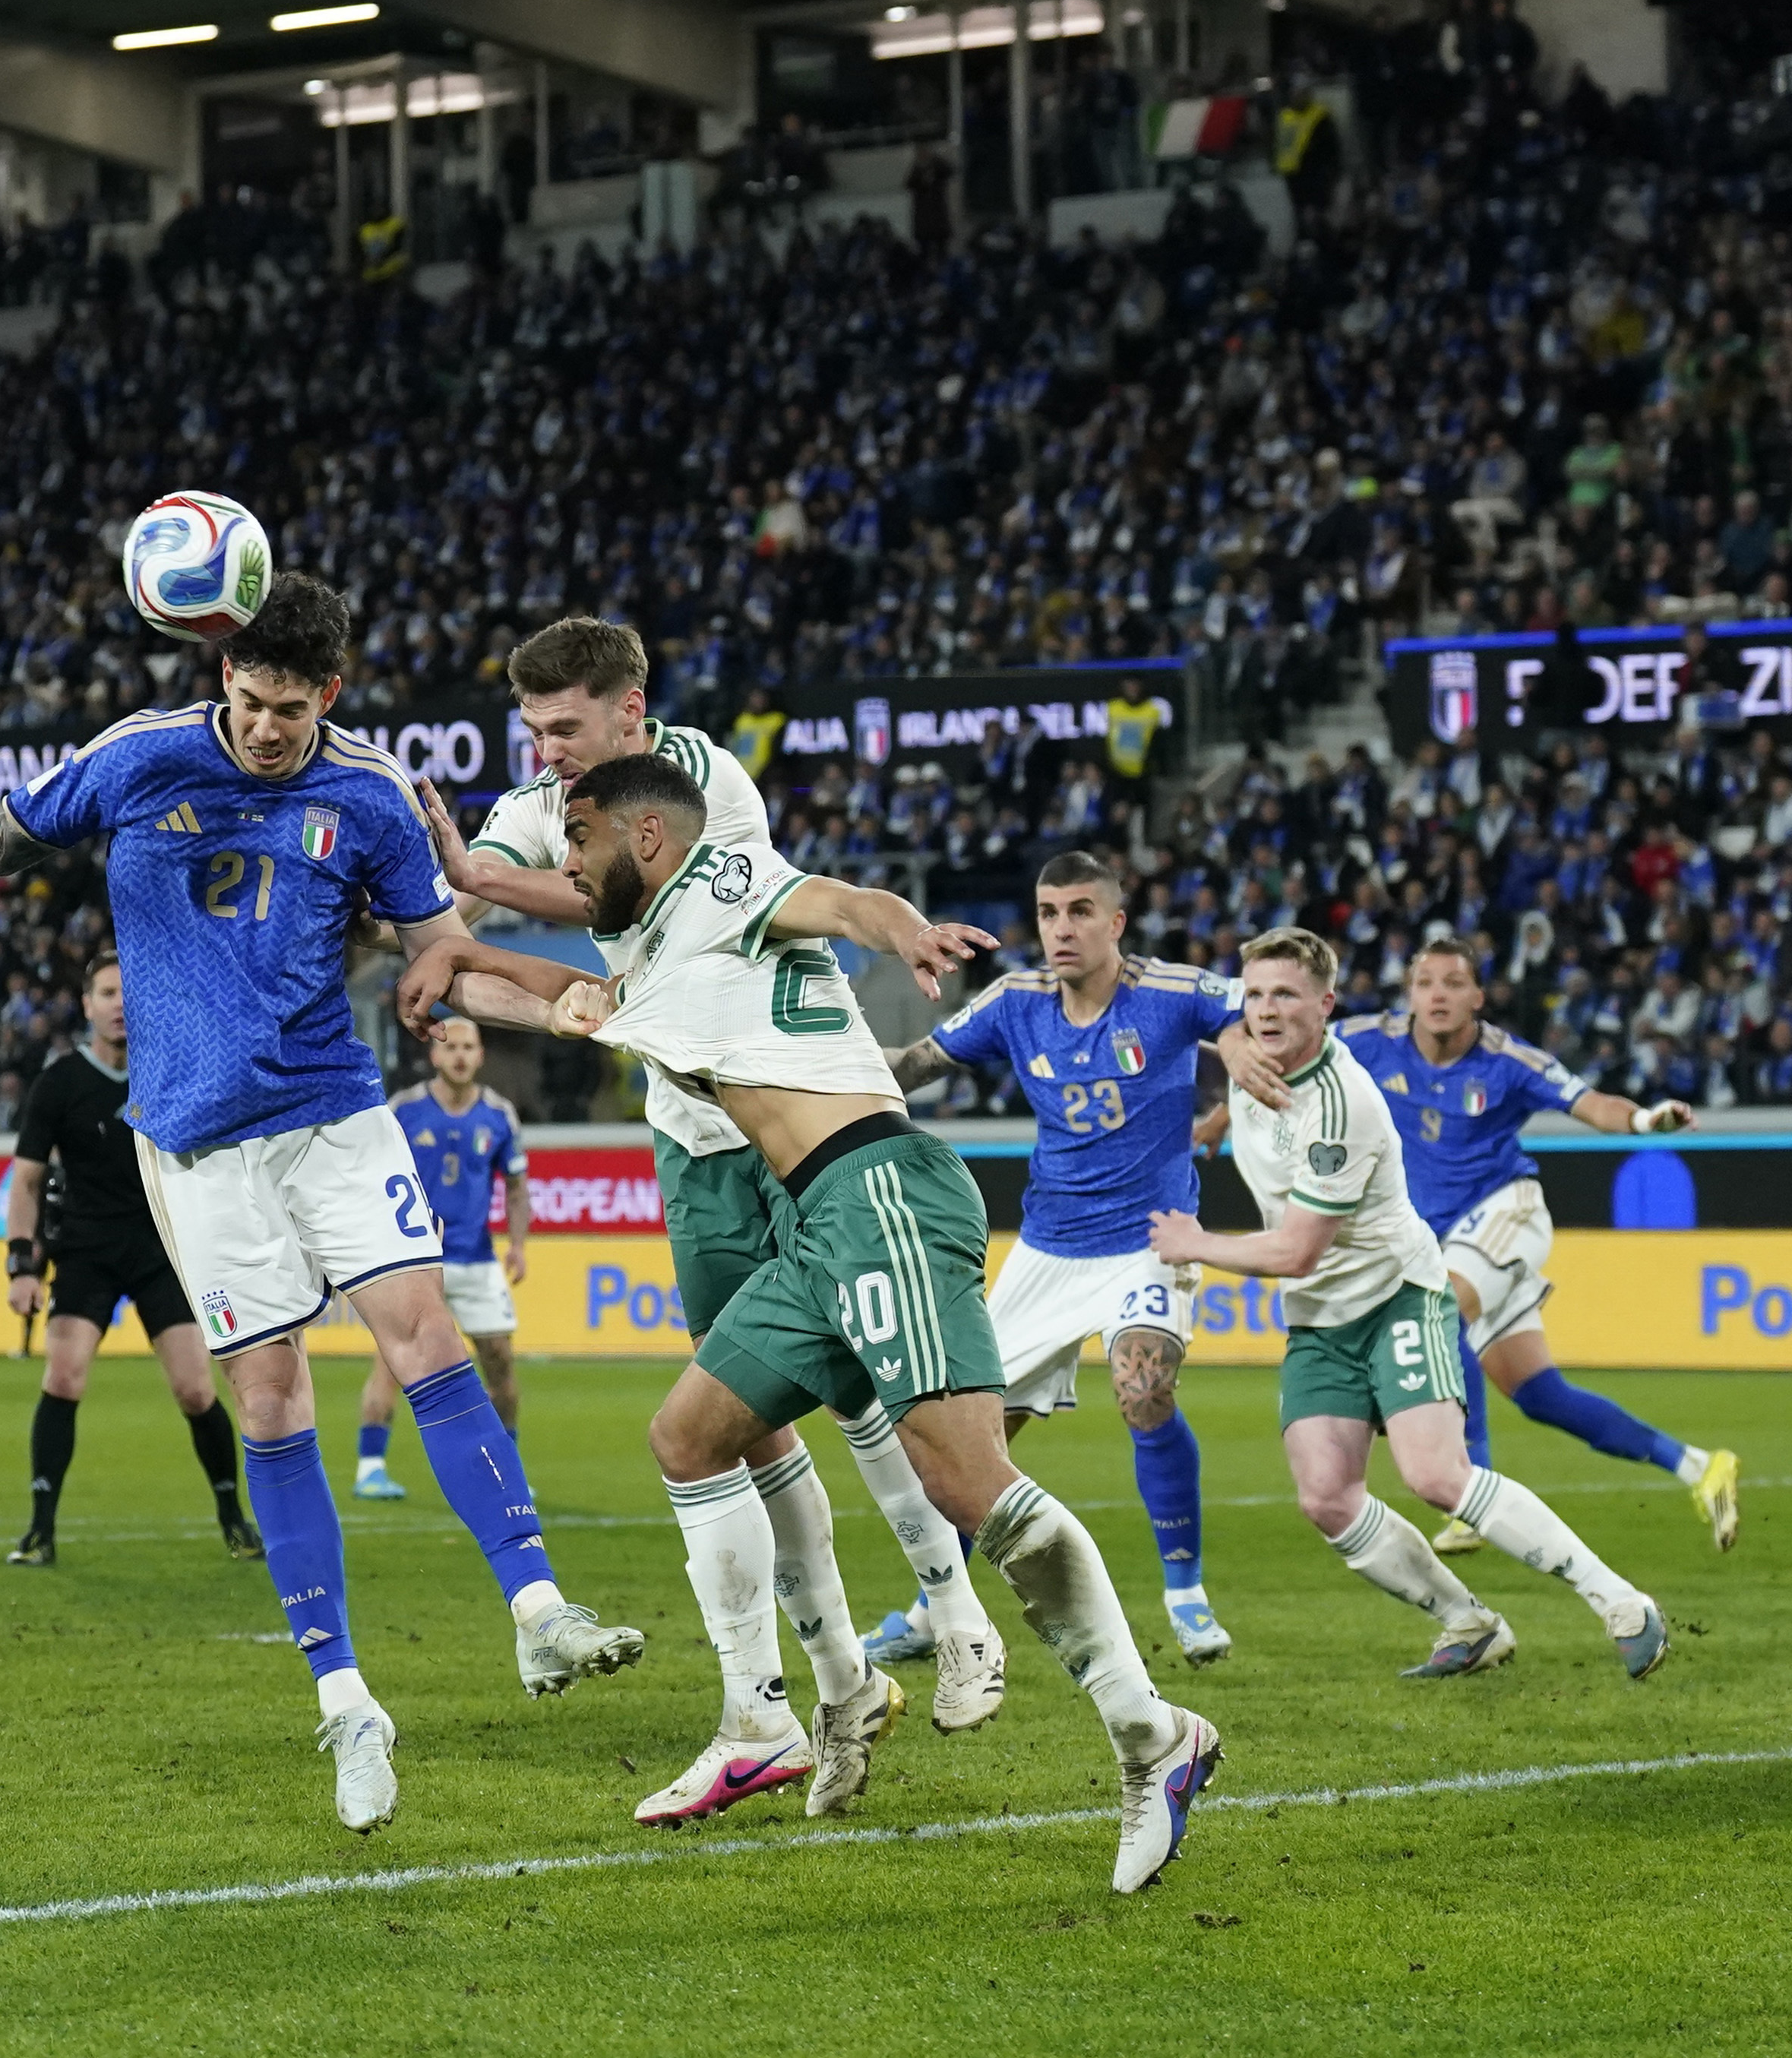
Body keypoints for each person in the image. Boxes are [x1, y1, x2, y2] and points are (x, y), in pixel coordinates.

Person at [399, 754, 1219, 1888]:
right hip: (807, 1218)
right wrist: (435, 948)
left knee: (967, 1481)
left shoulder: (723, 889)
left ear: (644, 837)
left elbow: (834, 901)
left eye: (579, 842)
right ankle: (772, 1713)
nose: (571, 873)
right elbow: (551, 995)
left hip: (874, 1189)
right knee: (688, 1434)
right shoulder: (657, 949)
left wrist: (903, 930)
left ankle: (1151, 1734)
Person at [0, 576, 643, 1833]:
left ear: (329, 694)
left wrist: (551, 1002)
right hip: (197, 1150)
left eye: (291, 710)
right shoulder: (135, 761)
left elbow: (440, 956)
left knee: (425, 1335)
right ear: (223, 682)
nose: (268, 731)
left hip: (331, 1108)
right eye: (250, 704)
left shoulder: (365, 793)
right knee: (270, 1403)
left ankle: (539, 1611)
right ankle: (345, 1702)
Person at [419, 616, 1008, 1736]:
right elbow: (466, 901)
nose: (544, 751)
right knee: (741, 1418)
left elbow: (599, 897)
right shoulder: (532, 811)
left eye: (564, 726)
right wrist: (426, 906)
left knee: (857, 1387)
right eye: (532, 730)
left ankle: (956, 1614)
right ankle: (840, 1673)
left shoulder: (693, 784)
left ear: (630, 712)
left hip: (790, 1130)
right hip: (693, 1145)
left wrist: (473, 888)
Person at [1152, 928, 1672, 1684]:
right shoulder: (1250, 1055)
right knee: (1326, 1498)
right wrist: (1222, 1078)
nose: (1266, 1011)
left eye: (1286, 996)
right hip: (1318, 1320)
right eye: (1255, 995)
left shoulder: (1340, 1103)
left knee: (1436, 1475)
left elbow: (1296, 1250)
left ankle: (1621, 1602)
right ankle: (1467, 1622)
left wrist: (1193, 1242)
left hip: (1398, 1297)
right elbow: (1211, 1023)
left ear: (1326, 1007)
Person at [882, 851, 1282, 1668]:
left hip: (1148, 1243)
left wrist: (1238, 1045)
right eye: (1047, 912)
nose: (1060, 928)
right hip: (1045, 1252)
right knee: (965, 1444)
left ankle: (1185, 1592)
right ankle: (935, 1611)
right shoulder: (1014, 1004)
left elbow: (1258, 1004)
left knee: (1142, 1386)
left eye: (1078, 911)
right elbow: (915, 1065)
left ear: (1115, 923)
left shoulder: (1168, 995)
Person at [1336, 940, 1737, 1554]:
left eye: (1453, 983)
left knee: (1437, 1311)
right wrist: (1223, 1116)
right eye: (1425, 983)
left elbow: (1590, 1102)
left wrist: (1640, 1121)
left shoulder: (1508, 1059)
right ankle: (1701, 1466)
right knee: (1543, 1396)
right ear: (1409, 994)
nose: (1438, 994)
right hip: (1444, 1237)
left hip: (1506, 1212)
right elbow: (1292, 1056)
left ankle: (1470, 1497)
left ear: (1478, 996)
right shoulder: (1370, 1040)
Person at [1, 953, 259, 1566]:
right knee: (63, 1378)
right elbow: (27, 1182)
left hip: (160, 1250)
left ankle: (233, 1517)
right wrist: (21, 1265)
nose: (120, 1003)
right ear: (86, 1005)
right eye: (107, 992)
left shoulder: (169, 1073)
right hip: (86, 1251)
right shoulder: (60, 1081)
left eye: (128, 992)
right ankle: (40, 1530)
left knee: (197, 1390)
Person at [355, 1017, 529, 1499]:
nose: (459, 1055)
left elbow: (516, 1188)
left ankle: (507, 1470)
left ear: (481, 1055)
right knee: (391, 1364)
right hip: (413, 1261)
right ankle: (370, 1467)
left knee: (499, 1362)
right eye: (450, 1046)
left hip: (476, 1259)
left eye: (469, 1047)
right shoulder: (404, 1111)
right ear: (434, 1055)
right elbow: (370, 1177)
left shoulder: (498, 1115)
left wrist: (517, 1246)